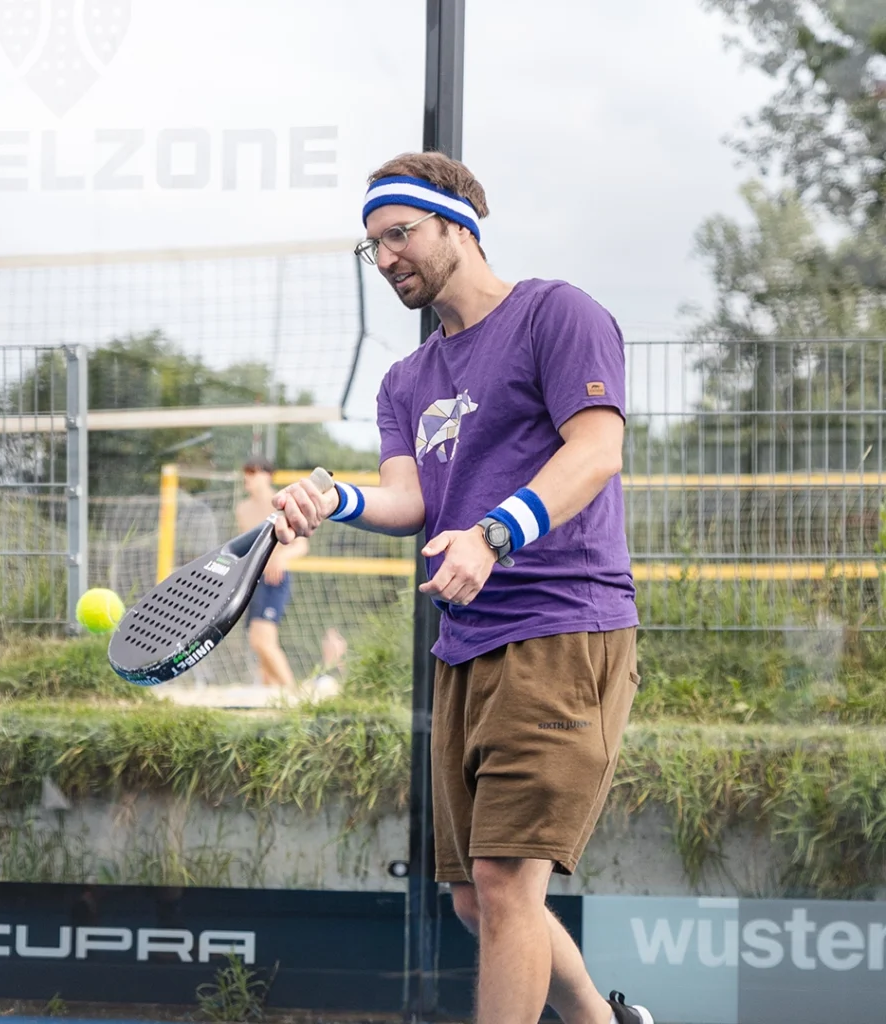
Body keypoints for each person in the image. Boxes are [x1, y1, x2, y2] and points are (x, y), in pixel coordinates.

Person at [270, 152, 652, 1024]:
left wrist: (494, 533)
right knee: (477, 899)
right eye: (374, 246)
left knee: (505, 882)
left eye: (400, 234)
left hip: (564, 628)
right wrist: (335, 497)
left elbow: (595, 450)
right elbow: (410, 498)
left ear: (459, 225)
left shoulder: (559, 313)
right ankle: (605, 1022)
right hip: (466, 643)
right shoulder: (406, 381)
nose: (389, 257)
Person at [235, 455, 307, 691]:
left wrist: (280, 558)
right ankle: (274, 693)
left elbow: (301, 546)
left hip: (275, 579)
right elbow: (248, 549)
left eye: (253, 472)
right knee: (261, 644)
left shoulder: (283, 504)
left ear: (267, 475)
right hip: (254, 579)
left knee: (261, 641)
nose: (248, 478)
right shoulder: (243, 509)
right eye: (246, 472)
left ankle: (292, 693)